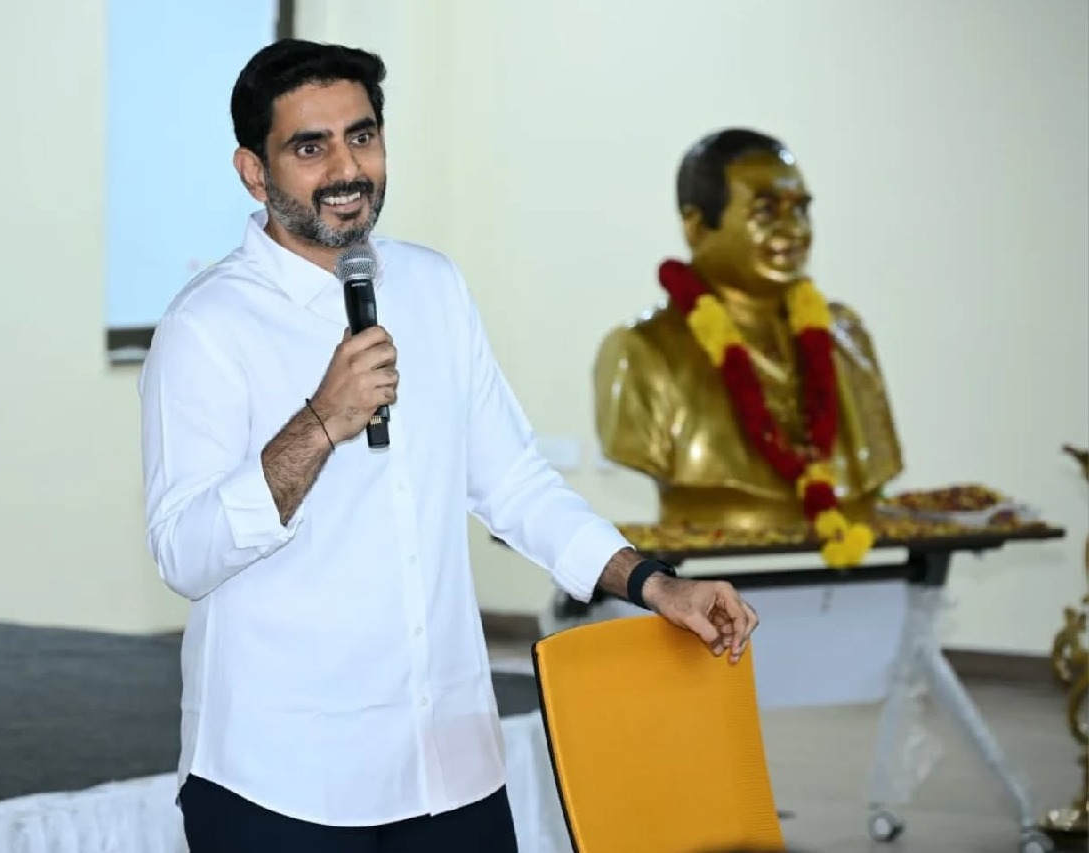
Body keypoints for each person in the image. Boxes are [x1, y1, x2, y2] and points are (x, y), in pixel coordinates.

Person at [138, 38, 760, 853]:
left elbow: (515, 482)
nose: (347, 168)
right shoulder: (206, 326)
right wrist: (321, 421)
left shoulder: (432, 286)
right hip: (282, 777)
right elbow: (184, 553)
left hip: (447, 764)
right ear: (254, 172)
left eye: (362, 136)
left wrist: (653, 584)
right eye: (310, 147)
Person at [593, 129, 903, 538]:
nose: (794, 230)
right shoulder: (642, 352)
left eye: (800, 210)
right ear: (696, 227)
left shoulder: (846, 338)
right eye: (766, 212)